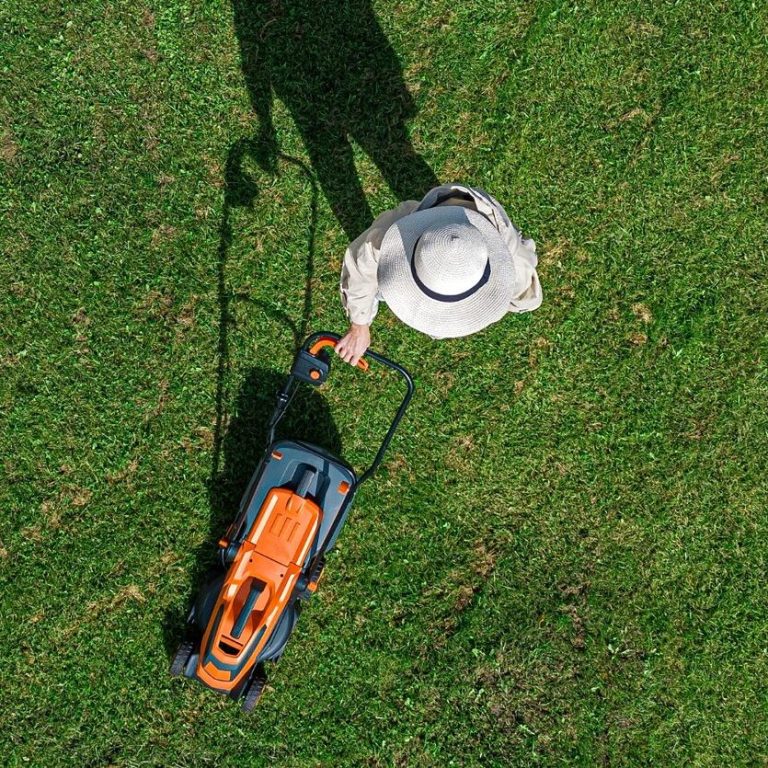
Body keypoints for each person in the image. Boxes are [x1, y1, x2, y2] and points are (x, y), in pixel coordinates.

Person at [336, 184, 543, 365]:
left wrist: (497, 297)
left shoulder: (517, 268)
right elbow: (359, 266)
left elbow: (527, 298)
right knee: (372, 283)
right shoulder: (388, 236)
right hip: (427, 214)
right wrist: (359, 325)